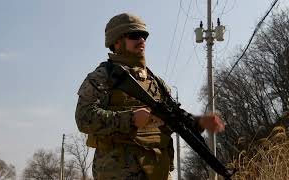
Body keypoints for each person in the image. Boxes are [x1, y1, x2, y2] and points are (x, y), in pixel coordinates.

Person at [75, 13, 225, 180]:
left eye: (144, 35)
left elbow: (173, 116)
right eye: (134, 35)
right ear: (116, 42)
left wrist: (198, 121)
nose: (141, 40)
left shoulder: (155, 82)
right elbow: (83, 117)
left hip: (158, 168)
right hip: (118, 170)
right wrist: (130, 119)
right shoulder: (102, 77)